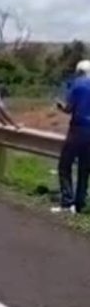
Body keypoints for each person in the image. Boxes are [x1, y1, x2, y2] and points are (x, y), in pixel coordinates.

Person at [53, 60, 90, 213]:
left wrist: (61, 106)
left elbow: (69, 109)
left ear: (79, 71)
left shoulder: (77, 84)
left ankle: (67, 201)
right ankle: (79, 204)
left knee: (64, 165)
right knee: (85, 168)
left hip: (78, 129)